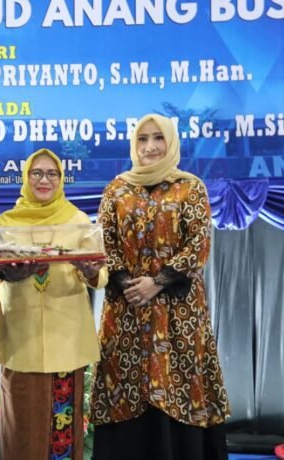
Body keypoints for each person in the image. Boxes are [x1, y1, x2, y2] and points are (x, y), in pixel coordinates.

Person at [89, 114, 230, 460]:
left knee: (179, 386)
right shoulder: (116, 189)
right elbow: (104, 243)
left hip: (178, 314)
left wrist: (156, 283)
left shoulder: (190, 187)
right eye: (142, 139)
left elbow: (199, 245)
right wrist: (130, 284)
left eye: (158, 138)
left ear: (171, 142)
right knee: (126, 391)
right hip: (128, 311)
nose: (150, 146)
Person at [0, 148, 107, 460]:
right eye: (36, 173)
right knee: (20, 426)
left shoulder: (79, 221)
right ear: (26, 178)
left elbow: (100, 275)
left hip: (65, 337)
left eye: (52, 173)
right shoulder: (5, 223)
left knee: (61, 430)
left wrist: (90, 270)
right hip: (19, 336)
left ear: (61, 179)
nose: (44, 180)